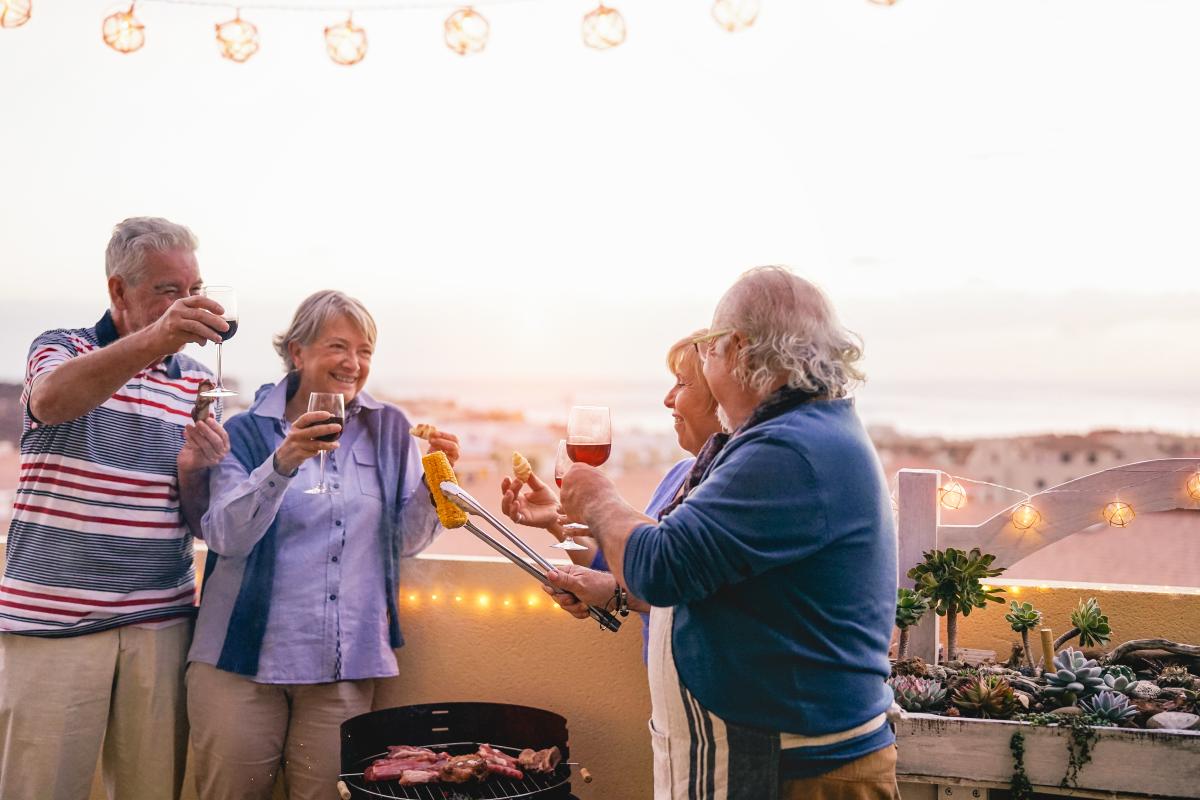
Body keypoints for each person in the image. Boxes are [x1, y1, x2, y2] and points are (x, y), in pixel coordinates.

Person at [559, 266, 900, 800]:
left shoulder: (790, 449)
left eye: (711, 347)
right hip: (771, 757)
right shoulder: (793, 435)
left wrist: (599, 498)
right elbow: (709, 576)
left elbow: (661, 568)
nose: (705, 360)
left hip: (799, 771)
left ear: (738, 348)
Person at [187, 290, 460, 800]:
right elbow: (225, 536)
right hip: (239, 665)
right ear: (297, 352)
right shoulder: (246, 431)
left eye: (365, 351)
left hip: (342, 667)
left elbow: (401, 544)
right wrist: (284, 461)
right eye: (338, 346)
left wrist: (433, 486)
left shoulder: (390, 429)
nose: (353, 364)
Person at [0, 217, 230, 800]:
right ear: (118, 291)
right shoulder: (61, 347)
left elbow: (199, 520)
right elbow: (51, 402)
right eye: (167, 290)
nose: (188, 303)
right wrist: (157, 339)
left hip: (161, 621)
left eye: (194, 288)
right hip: (54, 623)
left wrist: (193, 473)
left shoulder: (198, 380)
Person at [499, 331, 724, 656]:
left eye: (682, 383)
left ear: (722, 396)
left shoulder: (735, 493)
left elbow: (706, 592)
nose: (667, 399)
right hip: (663, 688)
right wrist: (557, 521)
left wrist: (617, 594)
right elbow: (625, 568)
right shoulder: (677, 476)